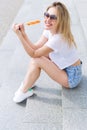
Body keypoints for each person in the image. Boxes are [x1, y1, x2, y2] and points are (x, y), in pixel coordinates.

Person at [12, 2, 82, 103]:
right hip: (65, 65)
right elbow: (35, 47)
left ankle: (22, 91)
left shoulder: (59, 39)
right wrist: (23, 34)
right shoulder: (49, 29)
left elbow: (34, 53)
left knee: (37, 59)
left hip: (72, 76)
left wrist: (19, 36)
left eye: (53, 17)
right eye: (47, 15)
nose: (48, 19)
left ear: (61, 20)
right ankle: (27, 84)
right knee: (37, 58)